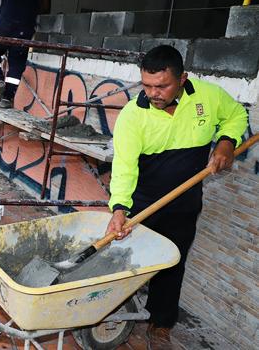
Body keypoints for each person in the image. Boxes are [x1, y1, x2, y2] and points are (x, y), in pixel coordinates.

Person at [105, 45, 247, 349]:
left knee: (172, 263)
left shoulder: (208, 97)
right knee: (126, 260)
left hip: (184, 202)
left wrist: (225, 142)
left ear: (182, 78)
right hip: (143, 202)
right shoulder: (133, 116)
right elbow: (124, 169)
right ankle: (109, 310)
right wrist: (119, 208)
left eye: (162, 85)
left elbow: (236, 115)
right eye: (146, 85)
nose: (153, 93)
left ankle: (160, 323)